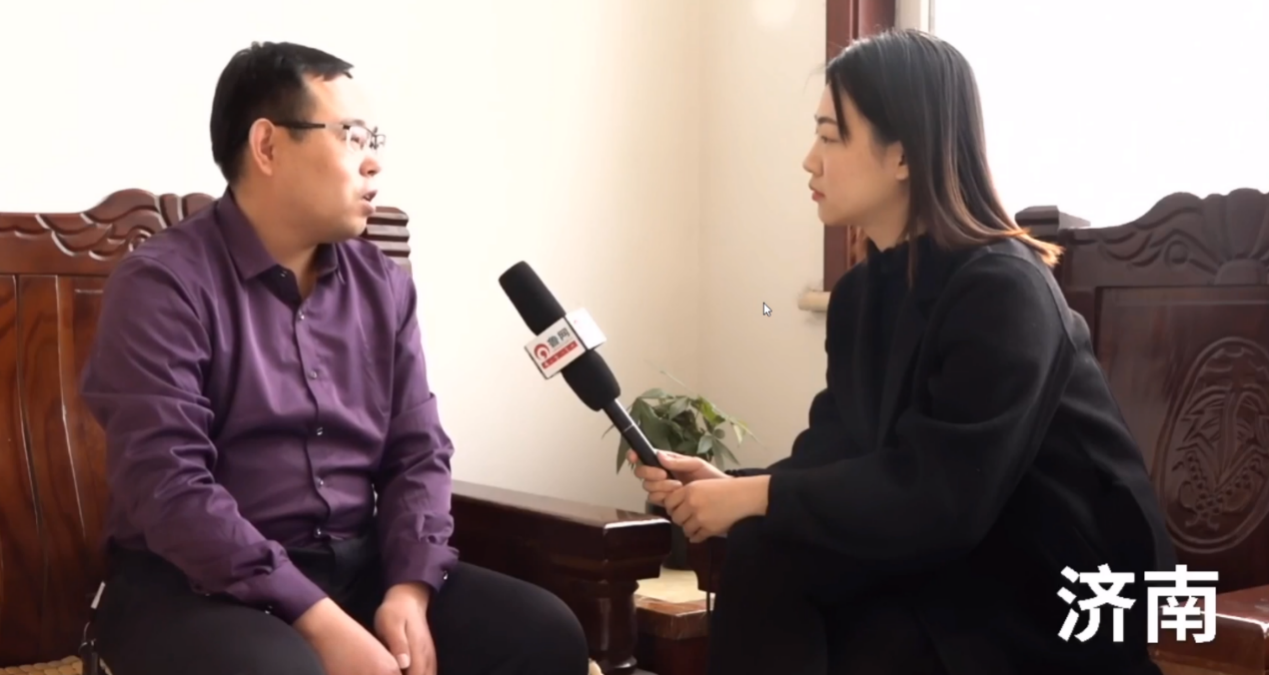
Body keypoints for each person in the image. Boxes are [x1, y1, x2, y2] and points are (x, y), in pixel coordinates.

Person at [629, 29, 1176, 675]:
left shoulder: (1003, 289)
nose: (809, 161)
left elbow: (944, 493)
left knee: (838, 616)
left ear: (904, 155)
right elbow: (835, 454)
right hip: (948, 562)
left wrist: (760, 497)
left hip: (1048, 591)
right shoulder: (862, 293)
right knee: (764, 549)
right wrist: (732, 488)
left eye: (831, 137)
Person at [80, 41, 591, 675]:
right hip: (191, 583)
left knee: (543, 634)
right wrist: (319, 620)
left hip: (357, 567)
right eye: (351, 136)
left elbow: (418, 453)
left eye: (374, 139)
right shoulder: (163, 285)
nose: (373, 161)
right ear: (267, 146)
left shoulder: (382, 285)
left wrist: (409, 588)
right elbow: (171, 487)